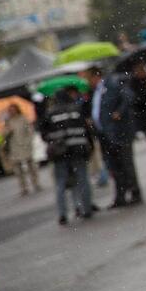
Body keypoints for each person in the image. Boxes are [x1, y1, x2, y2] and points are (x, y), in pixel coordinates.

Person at [81, 64, 142, 207]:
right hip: (104, 134)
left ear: (96, 76)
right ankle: (120, 196)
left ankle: (134, 191)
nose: (87, 81)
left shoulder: (113, 83)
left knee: (126, 164)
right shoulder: (93, 92)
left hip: (119, 132)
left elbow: (128, 97)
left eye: (88, 78)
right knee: (114, 166)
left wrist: (119, 112)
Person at [41, 88, 94, 225]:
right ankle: (86, 208)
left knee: (61, 183)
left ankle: (62, 213)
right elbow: (87, 130)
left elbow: (44, 133)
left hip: (60, 153)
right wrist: (90, 147)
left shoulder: (50, 113)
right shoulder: (77, 109)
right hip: (78, 149)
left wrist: (55, 140)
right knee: (82, 179)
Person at [3, 104, 40, 195]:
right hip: (14, 147)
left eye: (13, 109)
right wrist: (8, 130)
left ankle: (35, 183)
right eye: (10, 110)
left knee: (31, 166)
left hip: (25, 145)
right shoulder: (7, 122)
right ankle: (23, 187)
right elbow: (4, 135)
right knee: (18, 169)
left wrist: (28, 141)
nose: (12, 111)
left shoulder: (23, 119)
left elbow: (30, 131)